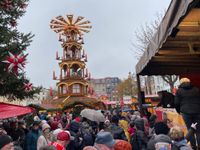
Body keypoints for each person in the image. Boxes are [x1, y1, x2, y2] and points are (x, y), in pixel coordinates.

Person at [175, 78, 200, 149]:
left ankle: (193, 147)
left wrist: (179, 111)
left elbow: (176, 103)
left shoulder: (179, 91)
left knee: (190, 130)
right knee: (199, 130)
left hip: (185, 112)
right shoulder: (196, 89)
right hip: (197, 111)